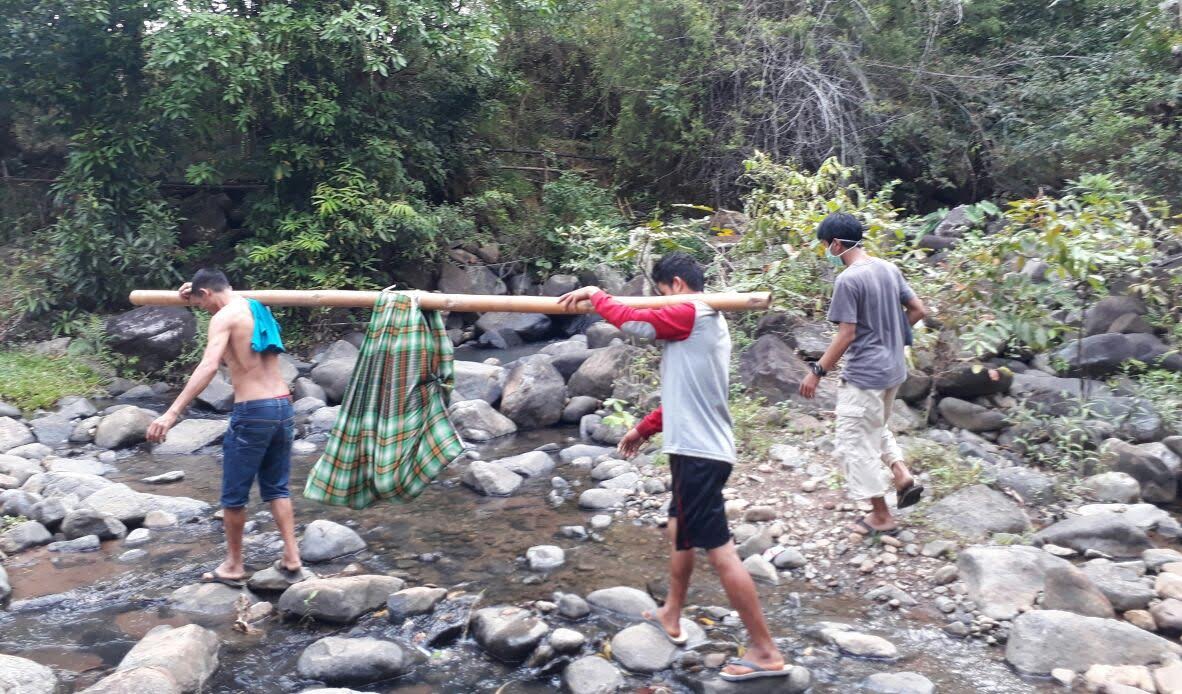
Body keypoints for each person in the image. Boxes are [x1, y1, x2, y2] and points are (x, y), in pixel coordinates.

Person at [559, 253, 788, 682]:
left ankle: (765, 650)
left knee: (719, 551)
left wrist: (597, 295)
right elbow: (684, 393)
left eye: (660, 294)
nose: (661, 302)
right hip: (698, 451)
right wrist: (643, 430)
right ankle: (672, 613)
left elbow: (636, 325)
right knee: (679, 532)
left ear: (677, 284)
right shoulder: (704, 322)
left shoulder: (691, 312)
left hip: (701, 454)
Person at [146, 268, 302, 586]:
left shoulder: (223, 317)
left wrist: (172, 413)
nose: (205, 311)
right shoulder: (256, 307)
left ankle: (233, 566)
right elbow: (220, 297)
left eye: (202, 304)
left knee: (233, 496)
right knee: (277, 488)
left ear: (206, 293)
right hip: (283, 406)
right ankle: (292, 557)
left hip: (253, 411)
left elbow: (208, 365)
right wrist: (197, 290)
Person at [799, 213, 928, 535]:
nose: (827, 251)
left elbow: (846, 334)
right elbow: (918, 310)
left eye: (826, 246)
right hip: (894, 370)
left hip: (865, 374)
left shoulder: (848, 279)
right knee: (875, 426)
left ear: (837, 244)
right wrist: (891, 336)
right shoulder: (888, 268)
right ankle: (901, 474)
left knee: (854, 443)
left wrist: (817, 371)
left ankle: (881, 515)